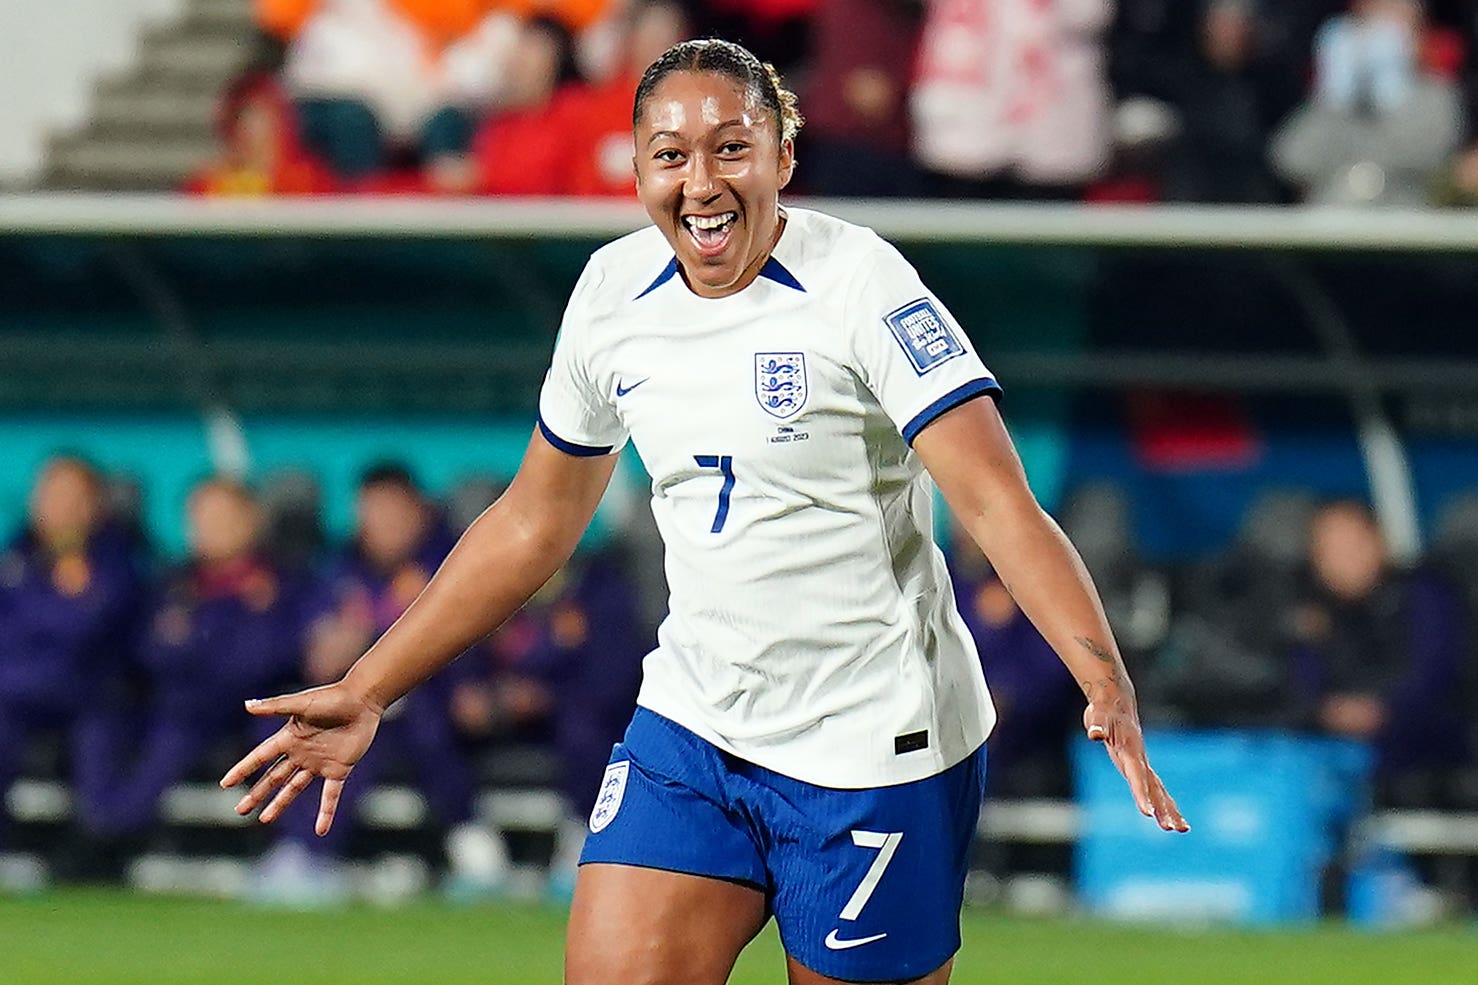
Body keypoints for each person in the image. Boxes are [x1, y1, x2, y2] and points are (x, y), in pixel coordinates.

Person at [222, 39, 1187, 985]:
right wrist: (370, 686)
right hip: (696, 723)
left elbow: (993, 499)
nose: (701, 182)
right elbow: (533, 521)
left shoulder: (862, 283)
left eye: (732, 147)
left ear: (783, 156)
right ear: (638, 170)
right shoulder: (611, 292)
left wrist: (1102, 676)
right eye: (670, 156)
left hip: (874, 741)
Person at [0, 456, 142, 859]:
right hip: (17, 691)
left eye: (69, 496)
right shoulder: (17, 556)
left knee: (104, 734)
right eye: (48, 494)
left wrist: (48, 613)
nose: (56, 507)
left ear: (93, 504)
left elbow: (86, 629)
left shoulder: (117, 558)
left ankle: (98, 851)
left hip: (93, 694)